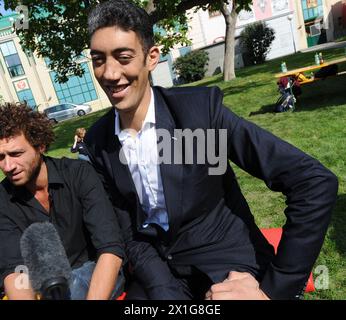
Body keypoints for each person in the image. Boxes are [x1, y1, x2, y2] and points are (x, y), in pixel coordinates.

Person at [85, 0, 338, 300]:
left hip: (228, 262)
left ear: (151, 58)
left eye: (123, 57)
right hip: (158, 273)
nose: (110, 73)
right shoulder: (98, 140)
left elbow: (312, 181)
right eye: (98, 59)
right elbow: (129, 231)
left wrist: (274, 291)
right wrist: (164, 291)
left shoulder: (199, 115)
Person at [0, 103, 124, 300]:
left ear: (40, 145)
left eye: (16, 154)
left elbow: (110, 248)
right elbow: (13, 271)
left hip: (95, 272)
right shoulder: (3, 200)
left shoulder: (78, 174)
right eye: (0, 157)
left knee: (72, 287)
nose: (8, 166)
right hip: (42, 285)